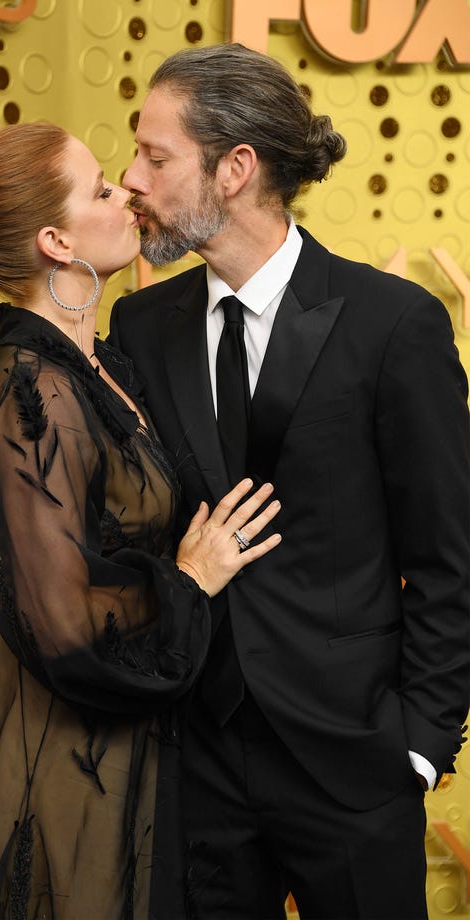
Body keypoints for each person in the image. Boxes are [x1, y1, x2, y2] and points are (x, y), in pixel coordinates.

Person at [106, 43, 470, 920]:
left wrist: (419, 745)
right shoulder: (140, 324)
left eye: (155, 157)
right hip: (194, 767)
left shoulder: (394, 325)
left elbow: (450, 557)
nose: (131, 179)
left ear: (235, 169)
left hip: (355, 768)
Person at [0, 121, 282, 919]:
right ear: (57, 242)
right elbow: (68, 626)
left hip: (122, 746)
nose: (128, 195)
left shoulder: (99, 361)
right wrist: (189, 578)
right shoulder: (36, 390)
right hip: (63, 761)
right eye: (102, 189)